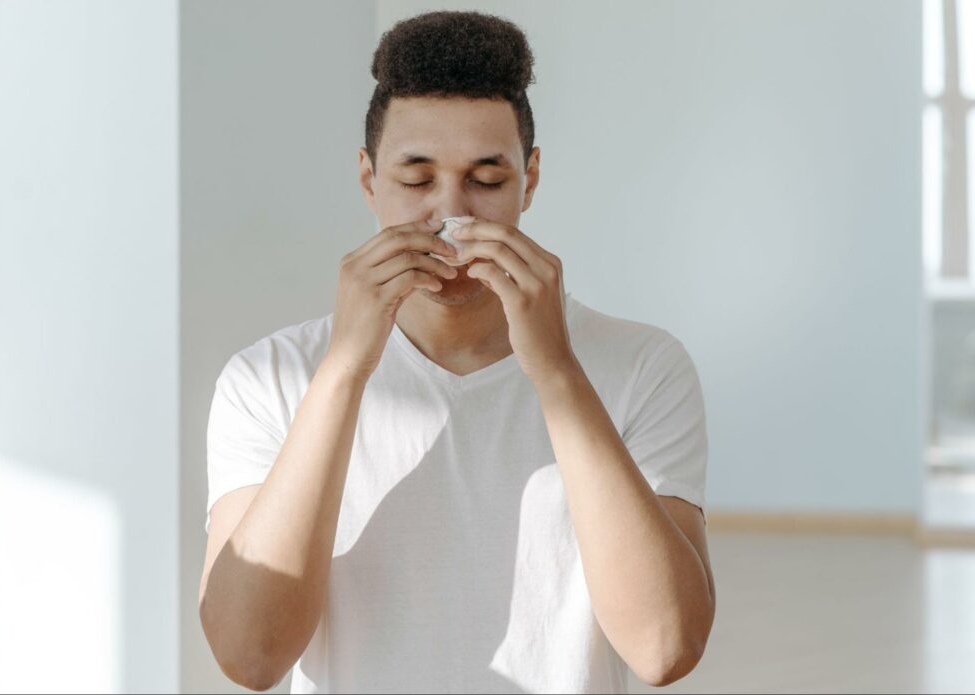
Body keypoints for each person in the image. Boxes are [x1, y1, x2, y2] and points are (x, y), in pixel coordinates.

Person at [198, 10, 715, 694]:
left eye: (487, 180)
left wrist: (556, 372)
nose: (450, 214)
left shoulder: (644, 366)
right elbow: (249, 654)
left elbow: (664, 647)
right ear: (368, 179)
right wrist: (346, 367)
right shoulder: (268, 379)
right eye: (416, 180)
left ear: (530, 179)